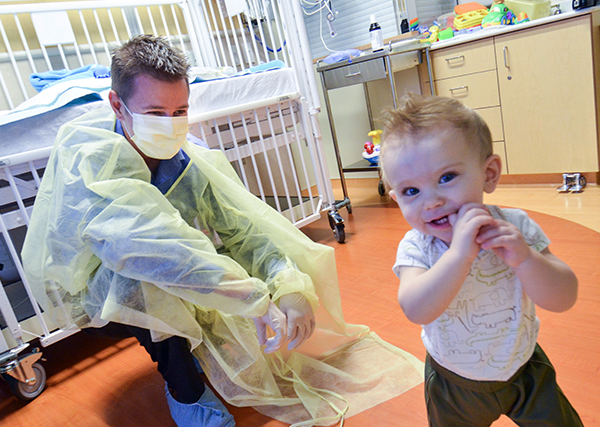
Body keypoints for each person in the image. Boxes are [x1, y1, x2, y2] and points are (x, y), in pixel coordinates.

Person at [22, 35, 424, 426]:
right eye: (155, 114)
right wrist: (254, 300)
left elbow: (244, 230)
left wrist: (287, 286)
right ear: (118, 105)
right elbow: (155, 253)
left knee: (221, 261)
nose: (171, 125)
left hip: (165, 264)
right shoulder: (88, 160)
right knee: (148, 285)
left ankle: (199, 347)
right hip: (104, 291)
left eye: (180, 111)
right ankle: (187, 394)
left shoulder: (188, 160)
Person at [378, 93, 583, 427]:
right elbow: (416, 309)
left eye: (446, 177)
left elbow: (564, 297)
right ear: (395, 197)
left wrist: (527, 259)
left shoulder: (514, 228)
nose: (431, 202)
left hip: (525, 369)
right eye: (411, 192)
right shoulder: (418, 246)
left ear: (489, 173)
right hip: (453, 383)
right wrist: (459, 255)